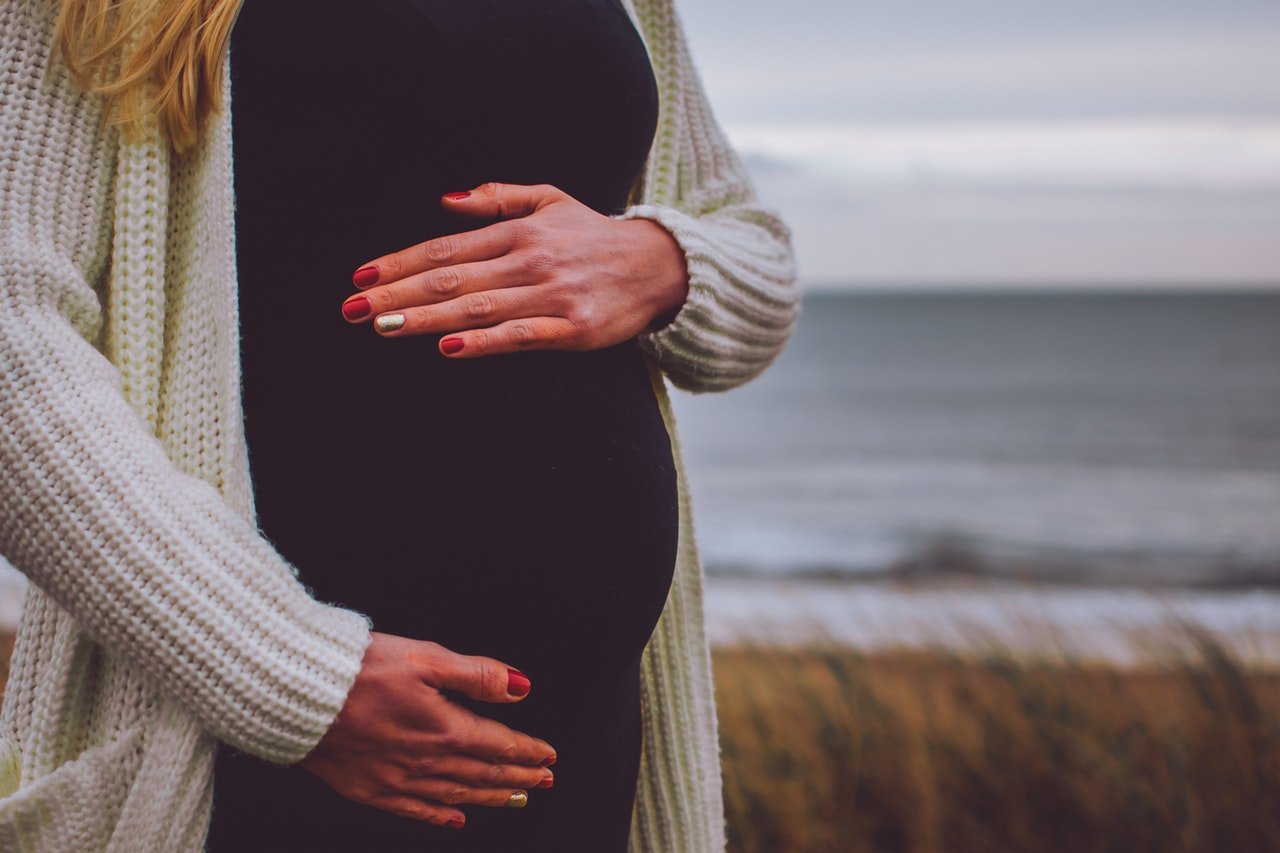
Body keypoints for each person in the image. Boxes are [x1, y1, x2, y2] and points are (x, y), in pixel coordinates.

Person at [0, 0, 799, 850]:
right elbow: (14, 336)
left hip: (579, 752)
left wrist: (660, 263)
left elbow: (755, 259)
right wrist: (288, 677)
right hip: (251, 740)